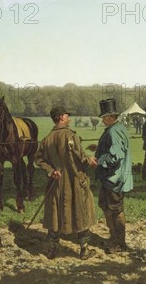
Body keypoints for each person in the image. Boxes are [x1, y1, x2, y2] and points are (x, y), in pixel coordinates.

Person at [34, 106, 98, 260]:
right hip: (73, 181)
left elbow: (38, 159)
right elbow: (80, 157)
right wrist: (90, 160)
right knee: (80, 212)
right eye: (67, 116)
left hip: (56, 182)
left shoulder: (47, 138)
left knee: (55, 215)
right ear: (62, 117)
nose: (69, 119)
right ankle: (84, 250)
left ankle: (52, 249)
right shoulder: (70, 135)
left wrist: (51, 171)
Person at [95, 98, 133, 253]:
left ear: (111, 117)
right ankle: (114, 237)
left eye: (104, 117)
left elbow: (116, 155)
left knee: (115, 209)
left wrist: (99, 160)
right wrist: (100, 148)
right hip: (111, 178)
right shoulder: (117, 128)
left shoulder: (114, 131)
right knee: (105, 205)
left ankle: (120, 243)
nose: (103, 120)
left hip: (114, 178)